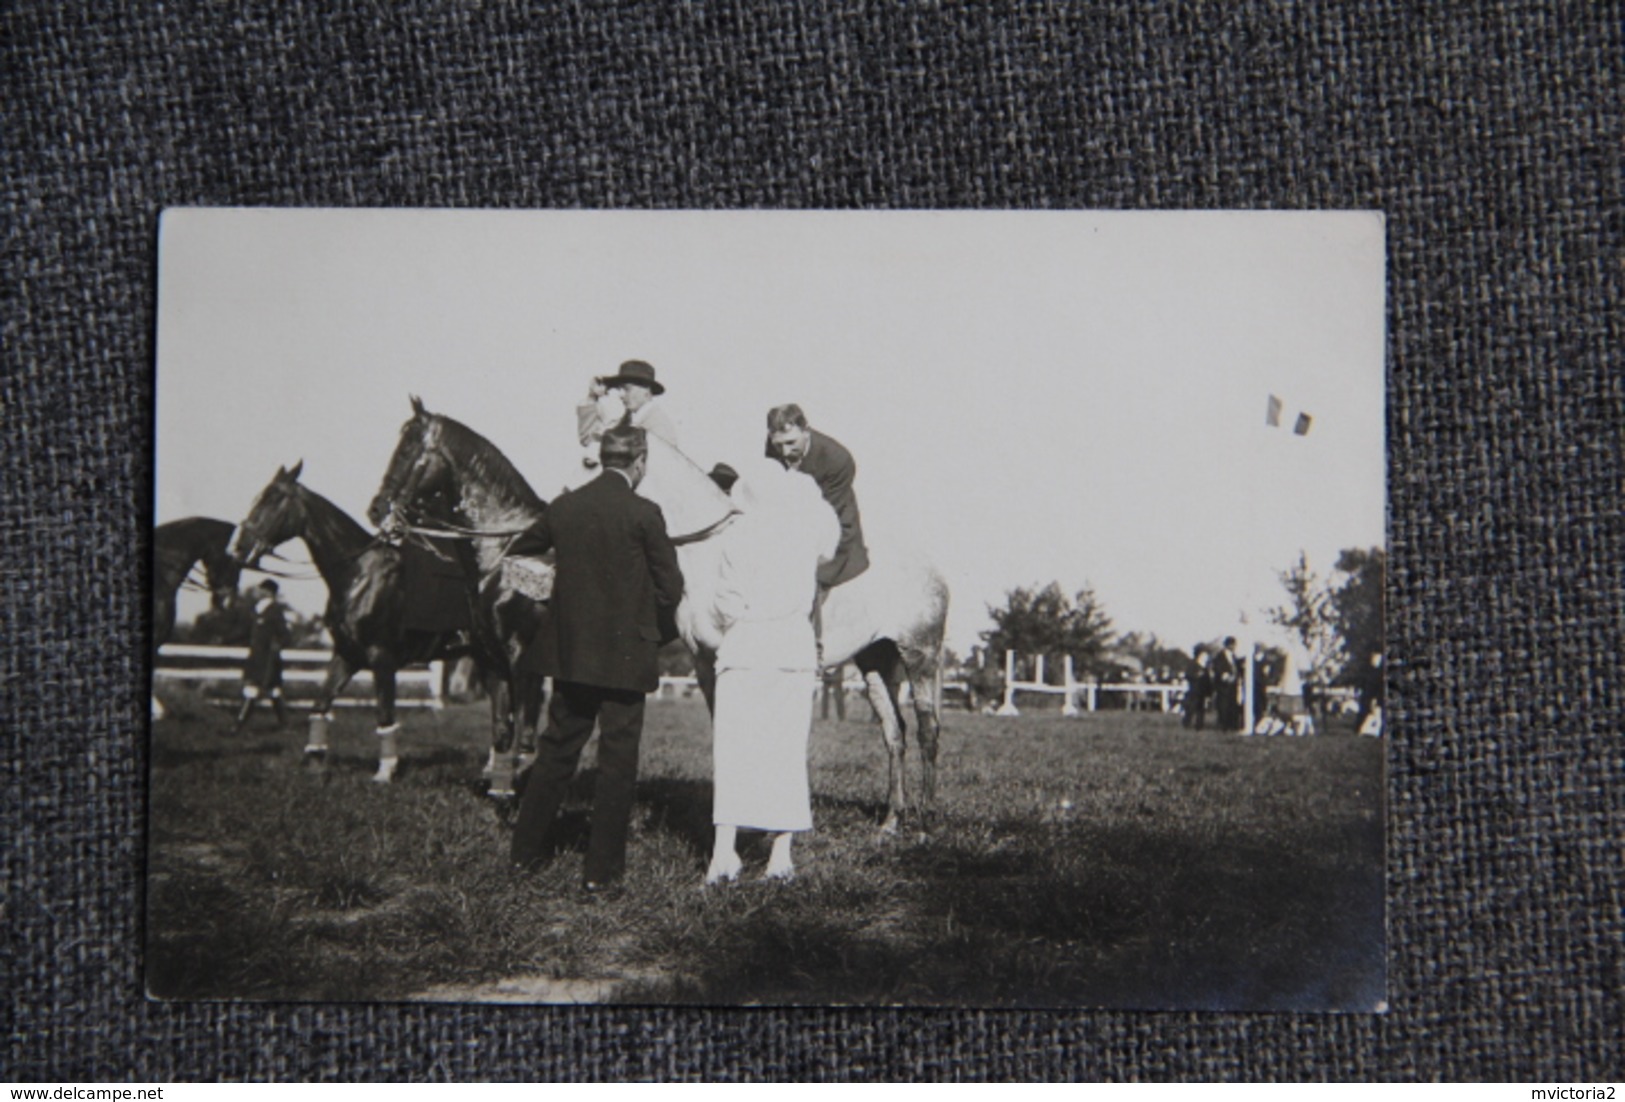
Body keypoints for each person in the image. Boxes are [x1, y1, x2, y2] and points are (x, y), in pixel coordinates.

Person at [510, 424, 685, 894]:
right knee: (617, 762)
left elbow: (516, 558)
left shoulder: (563, 507)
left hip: (570, 655)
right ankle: (600, 875)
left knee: (555, 752)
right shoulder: (645, 513)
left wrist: (556, 601)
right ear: (640, 461)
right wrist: (648, 626)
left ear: (603, 457)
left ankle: (523, 858)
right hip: (627, 659)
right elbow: (672, 589)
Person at [705, 460, 840, 886]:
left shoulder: (735, 537)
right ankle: (780, 855)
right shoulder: (804, 535)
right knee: (785, 751)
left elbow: (724, 602)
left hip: (744, 647)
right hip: (790, 649)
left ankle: (723, 853)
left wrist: (745, 619)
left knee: (733, 752)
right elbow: (830, 542)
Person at [763, 404, 868, 591]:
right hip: (790, 520)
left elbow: (823, 516)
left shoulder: (838, 459)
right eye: (778, 444)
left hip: (833, 528)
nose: (785, 452)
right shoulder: (773, 445)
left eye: (791, 443)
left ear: (806, 431)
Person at [576, 360, 679, 467]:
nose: (621, 395)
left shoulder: (659, 426)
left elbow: (660, 470)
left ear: (646, 391)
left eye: (627, 389)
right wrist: (592, 397)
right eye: (619, 389)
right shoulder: (624, 422)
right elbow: (588, 439)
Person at [232, 579, 290, 733]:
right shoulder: (257, 610)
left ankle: (239, 725)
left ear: (267, 592)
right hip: (256, 658)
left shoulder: (275, 611)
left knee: (258, 690)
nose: (257, 592)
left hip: (268, 659)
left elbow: (284, 635)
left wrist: (276, 648)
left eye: (260, 589)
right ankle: (284, 725)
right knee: (272, 691)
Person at [1211, 636, 1243, 732]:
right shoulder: (1219, 656)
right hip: (1223, 685)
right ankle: (1223, 724)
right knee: (1223, 705)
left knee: (1233, 705)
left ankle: (1232, 724)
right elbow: (1218, 668)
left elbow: (1237, 668)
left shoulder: (1234, 656)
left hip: (1233, 685)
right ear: (1227, 645)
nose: (1234, 647)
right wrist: (1225, 676)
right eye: (1232, 645)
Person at [1182, 643, 1212, 730]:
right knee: (1191, 708)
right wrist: (1196, 675)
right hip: (1194, 691)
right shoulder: (1193, 664)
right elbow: (1188, 675)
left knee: (1201, 710)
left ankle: (1199, 725)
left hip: (1202, 692)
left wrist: (1208, 692)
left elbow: (1208, 681)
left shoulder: (1205, 667)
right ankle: (1186, 723)